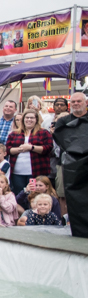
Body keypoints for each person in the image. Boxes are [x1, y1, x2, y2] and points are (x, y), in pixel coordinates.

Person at [52, 92, 88, 237]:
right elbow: (64, 141)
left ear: (85, 103)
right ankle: (79, 231)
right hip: (72, 166)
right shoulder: (63, 122)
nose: (76, 104)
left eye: (79, 101)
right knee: (74, 199)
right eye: (73, 102)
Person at [5, 110, 53, 193]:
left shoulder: (44, 132)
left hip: (37, 171)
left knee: (35, 194)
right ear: (23, 119)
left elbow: (48, 148)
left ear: (36, 120)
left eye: (32, 118)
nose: (29, 120)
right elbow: (7, 149)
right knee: (19, 194)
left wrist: (31, 147)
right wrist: (20, 149)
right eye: (27, 117)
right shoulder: (14, 134)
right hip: (17, 172)